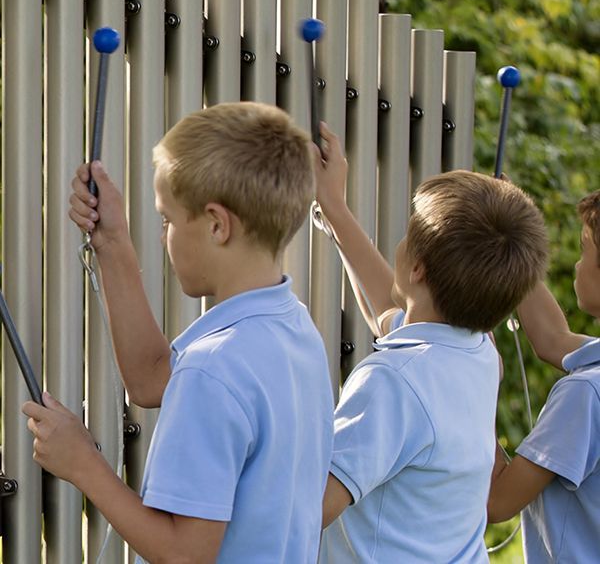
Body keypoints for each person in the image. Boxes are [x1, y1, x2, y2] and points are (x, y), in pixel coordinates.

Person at [22, 103, 334, 563]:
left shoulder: (214, 369)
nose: (165, 233)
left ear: (216, 224)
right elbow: (151, 380)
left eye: (167, 219)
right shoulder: (292, 328)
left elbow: (184, 555)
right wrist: (111, 243)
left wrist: (85, 465)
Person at [314, 123, 548, 563]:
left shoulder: (391, 382)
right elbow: (389, 311)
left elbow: (309, 508)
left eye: (409, 231)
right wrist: (334, 209)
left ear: (418, 267)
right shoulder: (478, 353)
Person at [488, 189, 600, 563]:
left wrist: (477, 388)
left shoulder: (584, 394)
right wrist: (512, 232)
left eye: (585, 250)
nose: (577, 264)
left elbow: (496, 501)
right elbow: (551, 339)